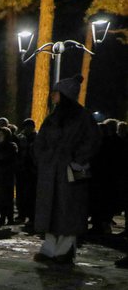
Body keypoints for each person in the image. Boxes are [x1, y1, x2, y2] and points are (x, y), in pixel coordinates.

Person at [32, 75, 100, 264]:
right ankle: (49, 249)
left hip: (70, 172)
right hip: (50, 171)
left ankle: (65, 250)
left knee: (68, 211)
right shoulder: (52, 118)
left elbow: (92, 142)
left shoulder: (83, 117)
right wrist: (43, 159)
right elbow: (40, 142)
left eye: (56, 93)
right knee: (50, 211)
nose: (52, 96)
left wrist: (76, 160)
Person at [15, 119, 37, 229]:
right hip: (22, 169)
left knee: (31, 195)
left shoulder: (36, 138)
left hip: (32, 170)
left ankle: (31, 216)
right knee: (21, 194)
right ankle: (22, 214)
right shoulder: (21, 138)